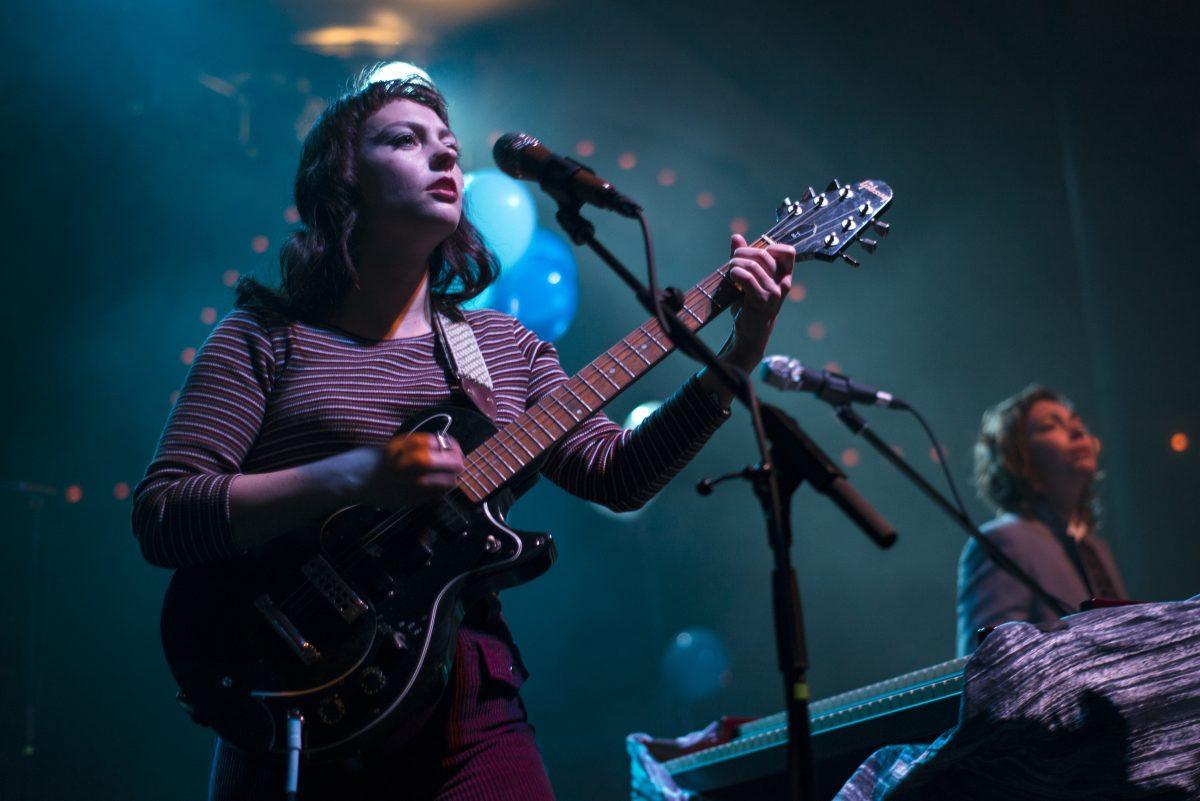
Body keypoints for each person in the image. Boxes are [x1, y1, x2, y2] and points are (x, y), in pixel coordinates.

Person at [132, 66, 795, 800]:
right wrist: (356, 476)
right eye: (405, 141)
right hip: (288, 698)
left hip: (466, 704)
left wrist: (735, 359)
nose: (445, 155)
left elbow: (618, 472)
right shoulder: (265, 337)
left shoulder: (503, 350)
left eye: (447, 142)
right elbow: (165, 516)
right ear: (342, 179)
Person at [956, 385, 1128, 656]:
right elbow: (987, 668)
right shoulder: (1004, 542)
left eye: (1077, 422)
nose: (1077, 431)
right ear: (1015, 456)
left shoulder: (1095, 547)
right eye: (1051, 425)